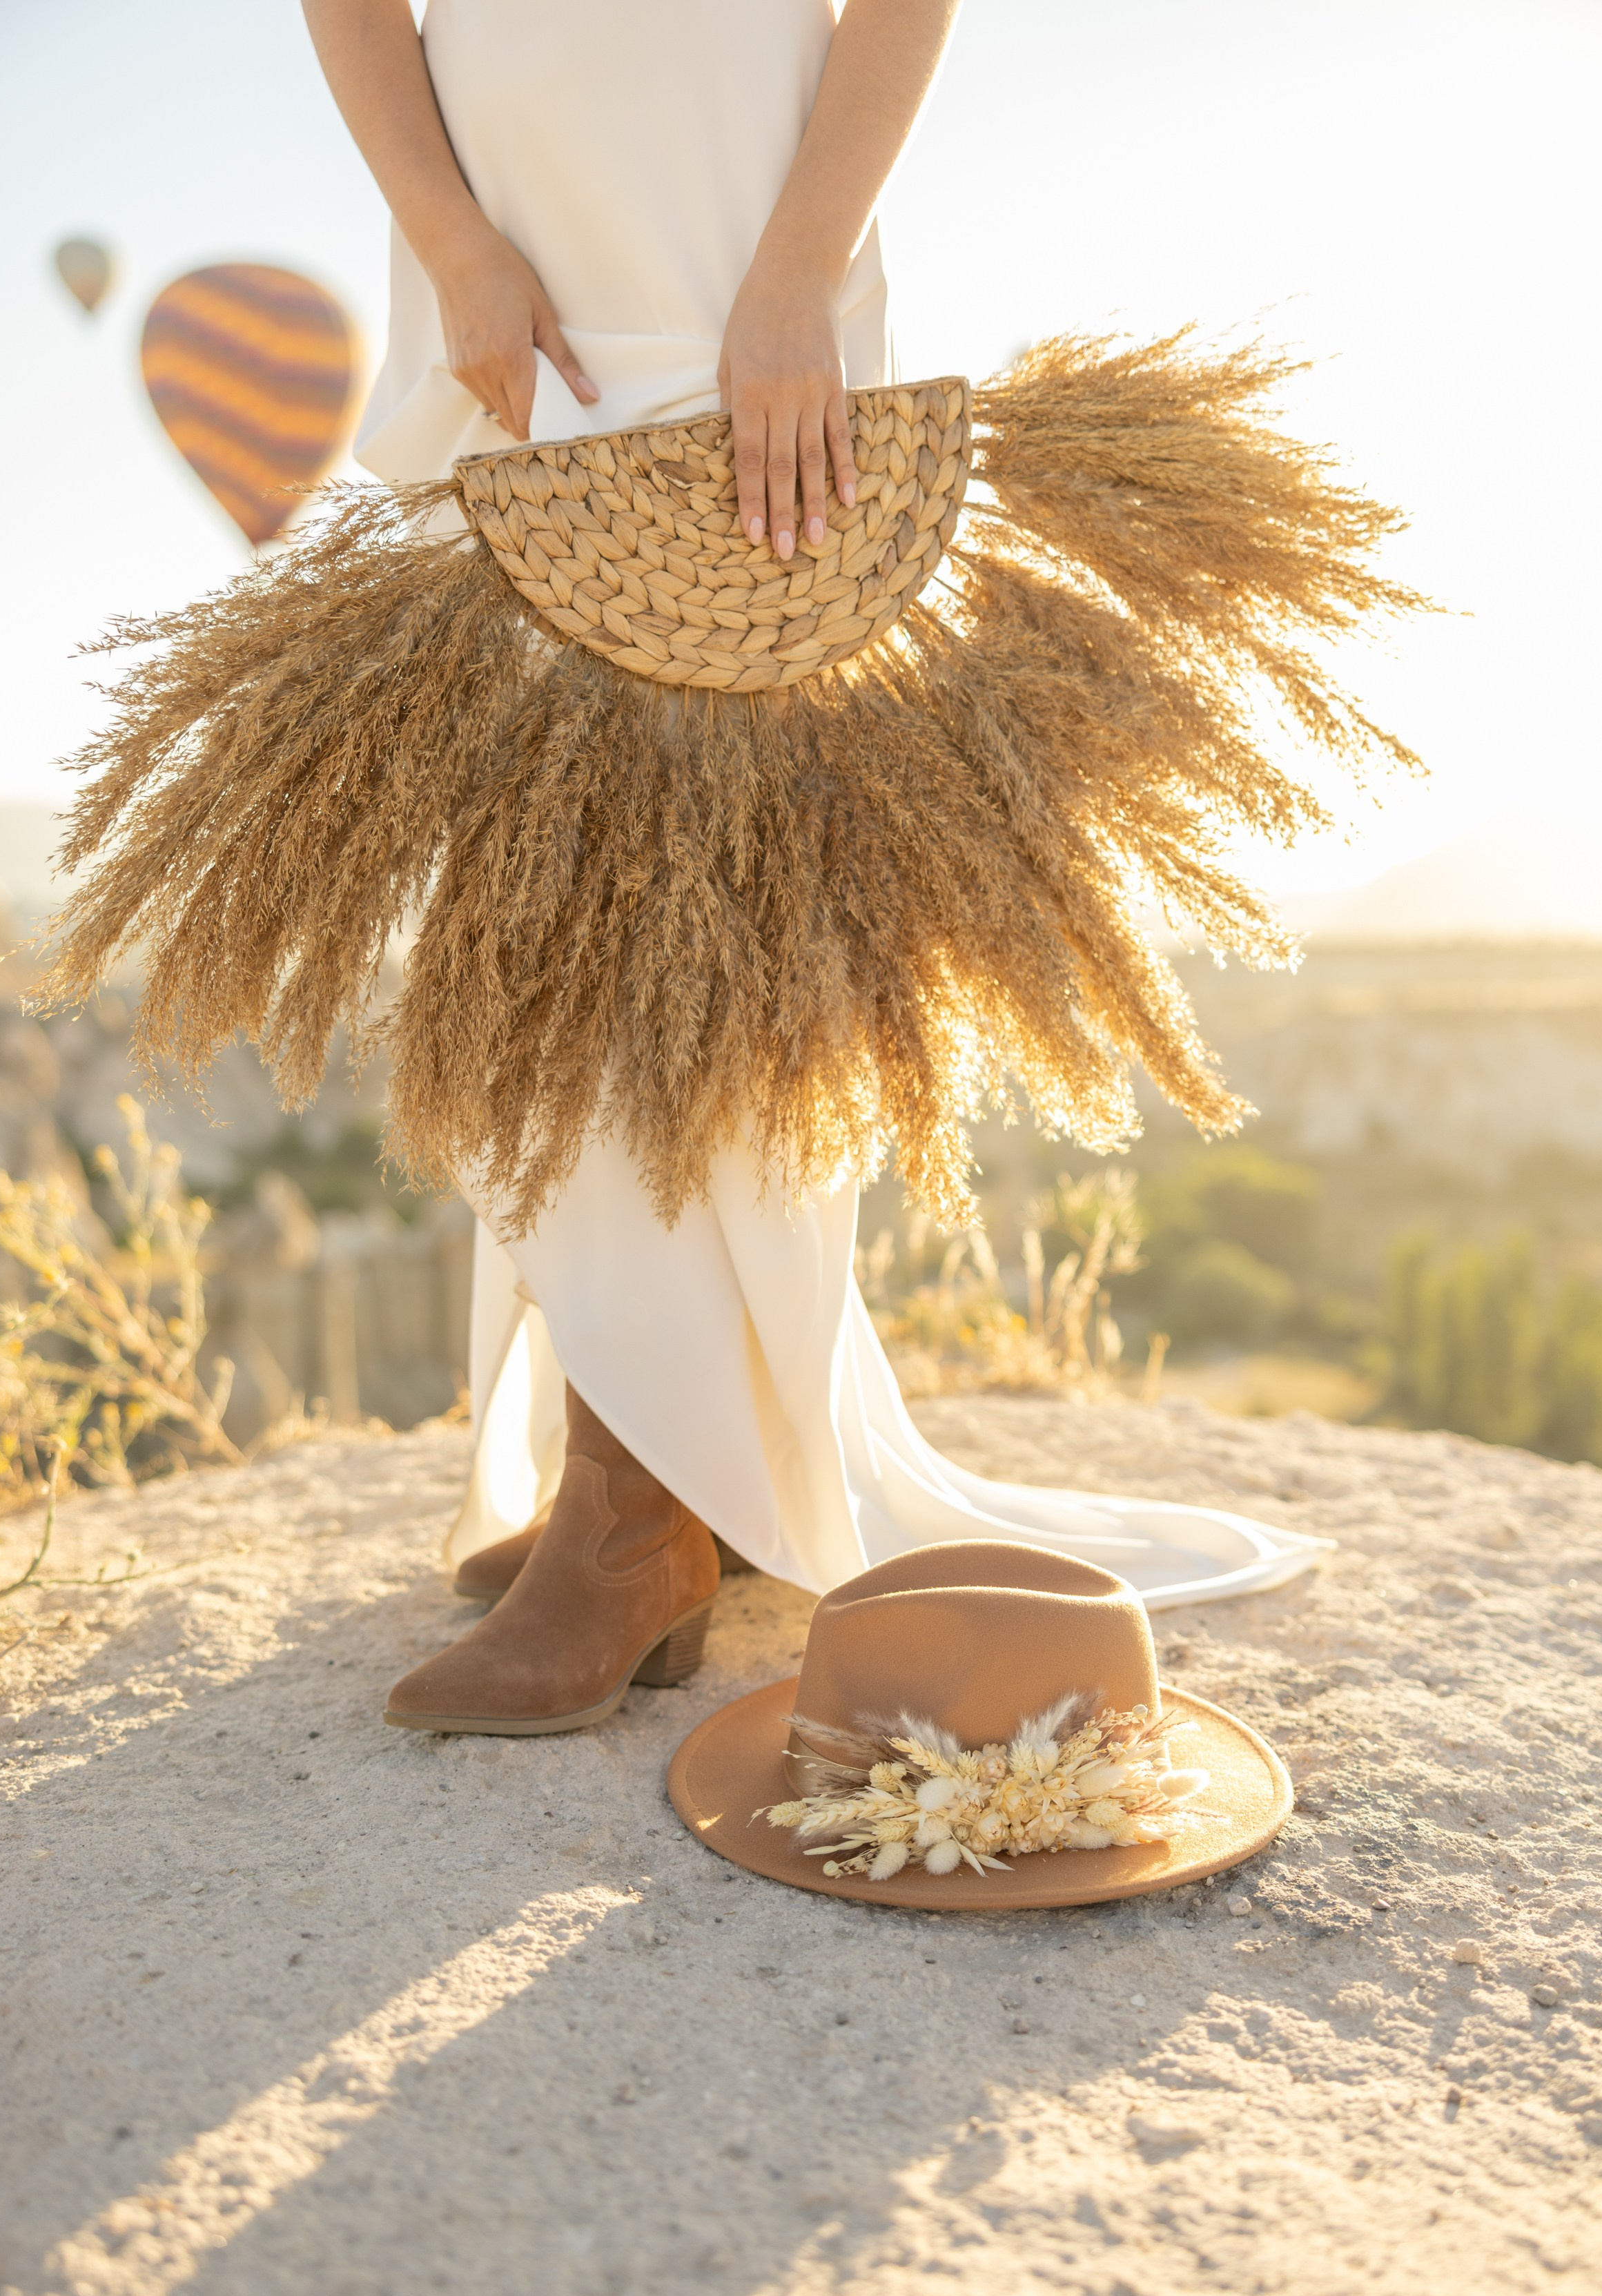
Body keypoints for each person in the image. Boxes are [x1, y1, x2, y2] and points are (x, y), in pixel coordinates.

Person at [302, 0, 1325, 1738]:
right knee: (540, 914)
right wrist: (453, 238)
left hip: (733, 285)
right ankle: (640, 1467)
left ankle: (643, 1516)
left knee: (711, 914)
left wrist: (799, 272)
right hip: (511, 311)